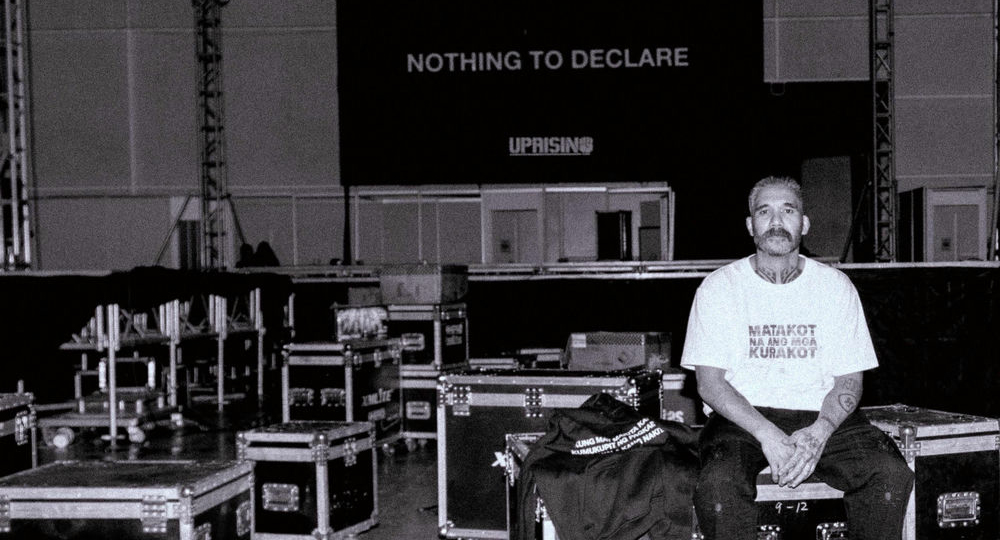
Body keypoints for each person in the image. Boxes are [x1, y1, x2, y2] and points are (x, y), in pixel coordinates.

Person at [679, 176, 913, 539]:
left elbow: (850, 381)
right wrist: (768, 435)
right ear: (750, 226)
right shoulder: (719, 288)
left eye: (788, 211)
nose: (776, 221)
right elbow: (709, 384)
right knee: (718, 483)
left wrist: (820, 432)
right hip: (743, 418)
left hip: (821, 413)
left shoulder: (834, 287)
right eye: (765, 212)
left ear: (803, 224)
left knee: (889, 473)